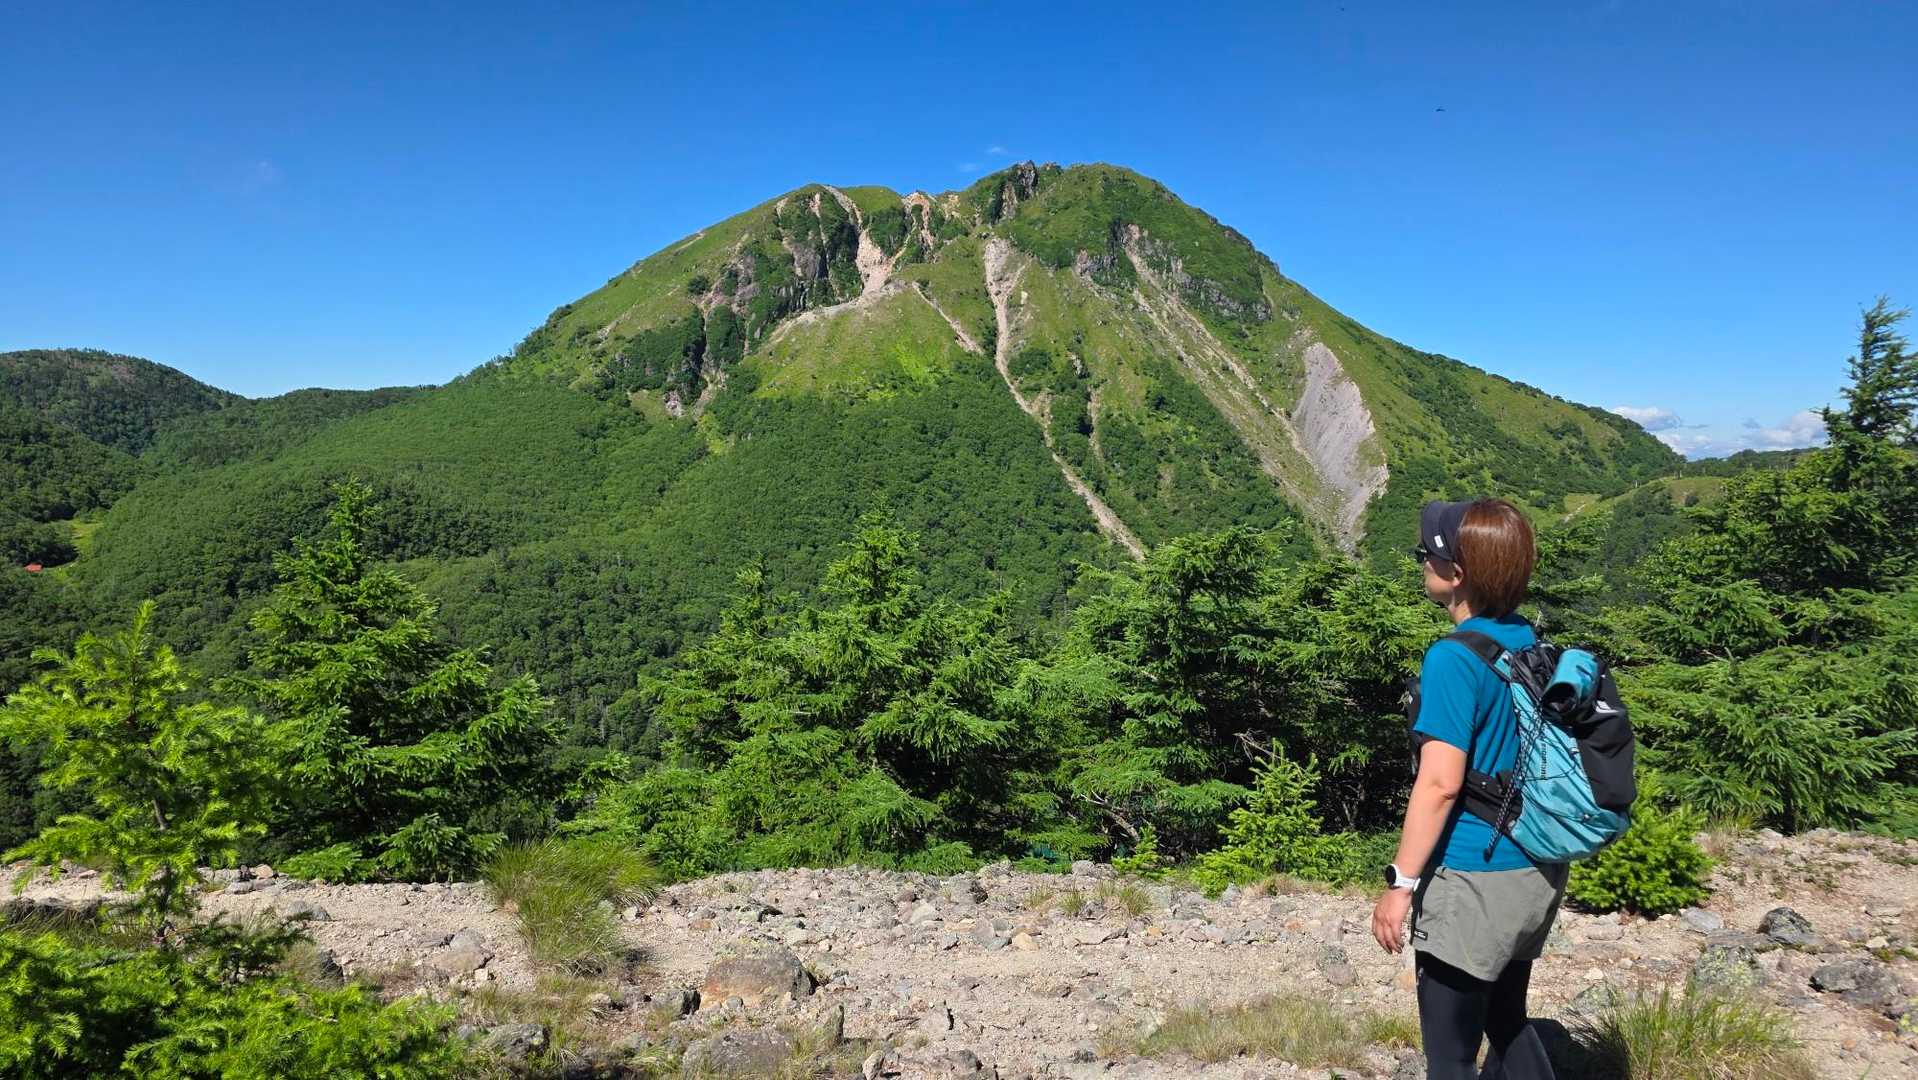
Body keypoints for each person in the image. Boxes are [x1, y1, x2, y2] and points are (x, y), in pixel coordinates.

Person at [1370, 498, 1567, 1079]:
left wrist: (1401, 885)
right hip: (1533, 866)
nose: (1420, 563)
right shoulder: (1528, 641)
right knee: (1506, 1020)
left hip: (1473, 878)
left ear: (1456, 574)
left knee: (1451, 1055)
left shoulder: (1453, 659)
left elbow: (1439, 783)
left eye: (1425, 554)